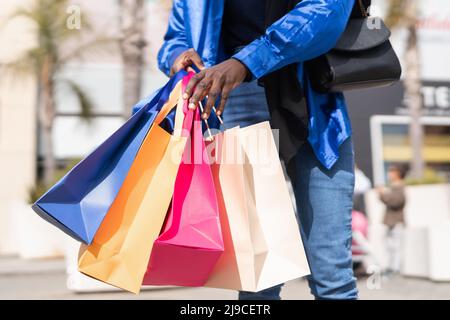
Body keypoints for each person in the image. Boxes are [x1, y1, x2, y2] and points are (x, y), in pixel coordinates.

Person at [158, 0, 364, 300]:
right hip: (234, 98)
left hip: (313, 103)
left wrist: (246, 61)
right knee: (257, 277)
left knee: (332, 274)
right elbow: (176, 35)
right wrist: (177, 56)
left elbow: (327, 11)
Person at [376, 164, 407, 276]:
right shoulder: (394, 186)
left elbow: (396, 202)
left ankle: (395, 269)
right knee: (389, 247)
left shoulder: (399, 187)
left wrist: (383, 194)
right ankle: (390, 267)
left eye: (392, 172)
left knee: (396, 246)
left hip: (397, 221)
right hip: (390, 222)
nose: (389, 174)